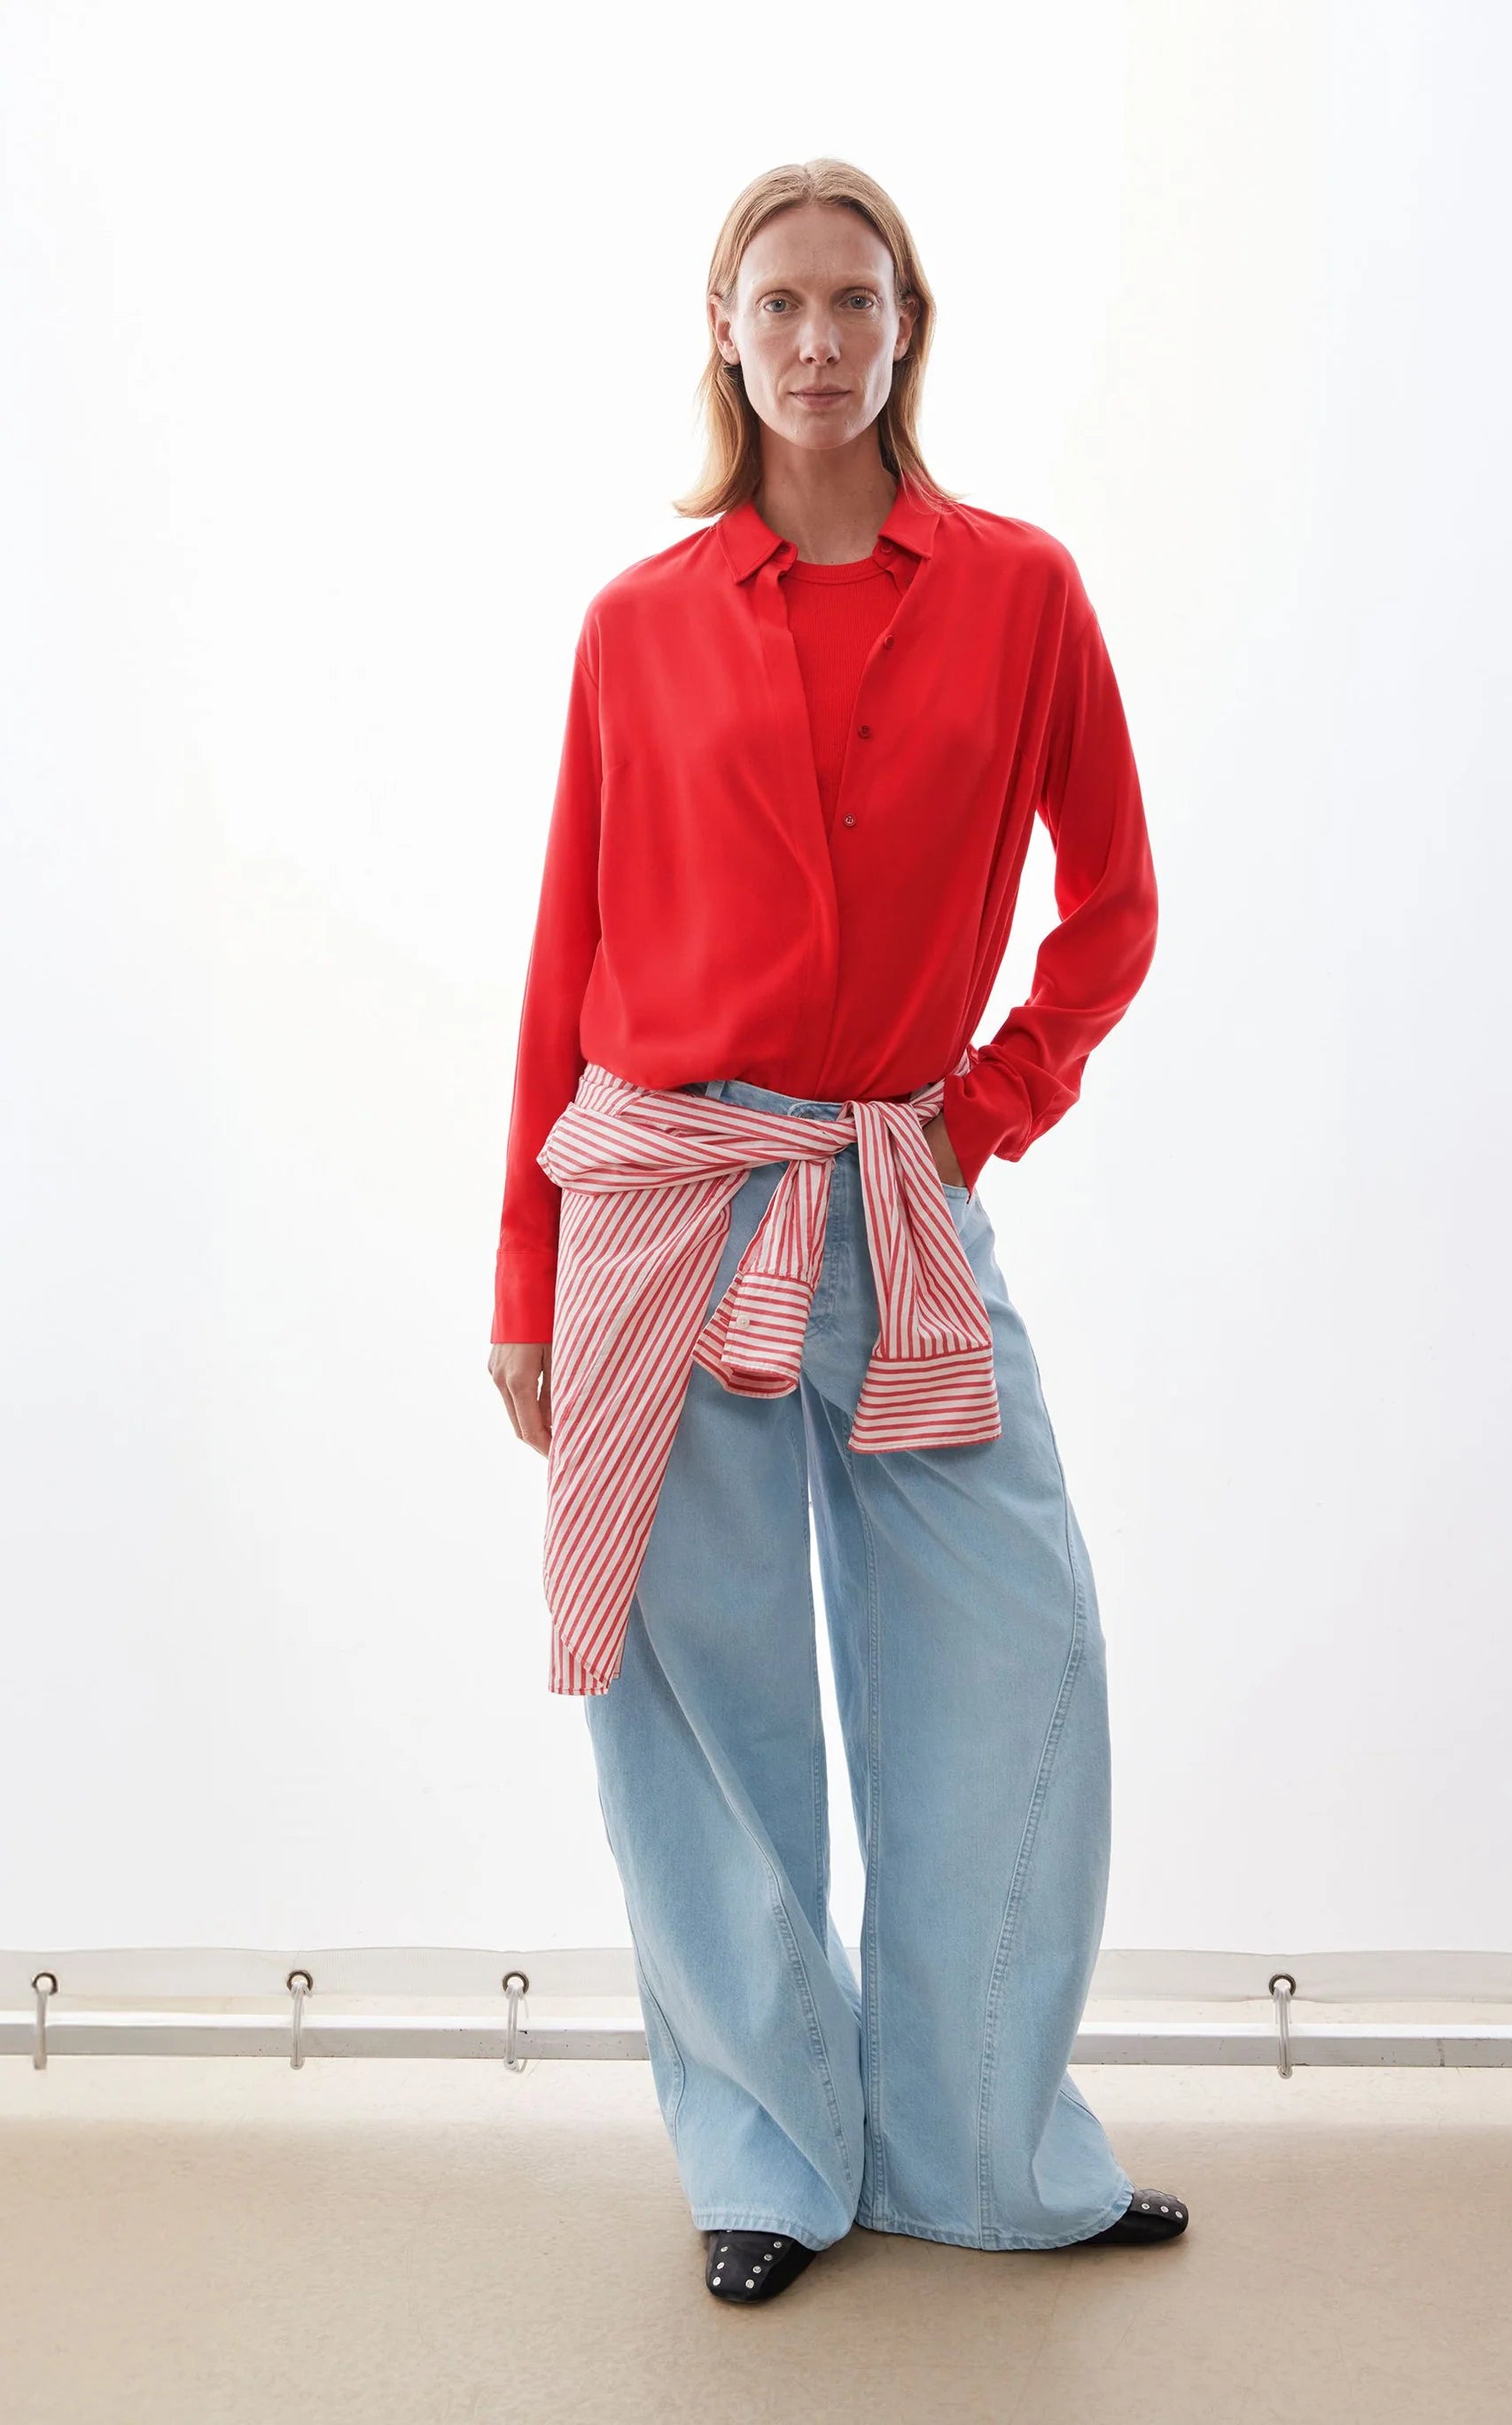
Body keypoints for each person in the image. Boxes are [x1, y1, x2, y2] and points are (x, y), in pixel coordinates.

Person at [487, 158, 1187, 2304]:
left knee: (1013, 1648)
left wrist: (979, 1116)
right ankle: (768, 2162)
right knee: (700, 1699)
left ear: (906, 329)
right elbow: (563, 958)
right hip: (664, 1199)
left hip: (895, 1189)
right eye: (776, 302)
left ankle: (977, 2149)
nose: (814, 339)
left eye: (851, 301)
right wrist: (520, 1276)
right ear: (722, 331)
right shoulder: (634, 622)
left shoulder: (1021, 593)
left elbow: (1113, 905)